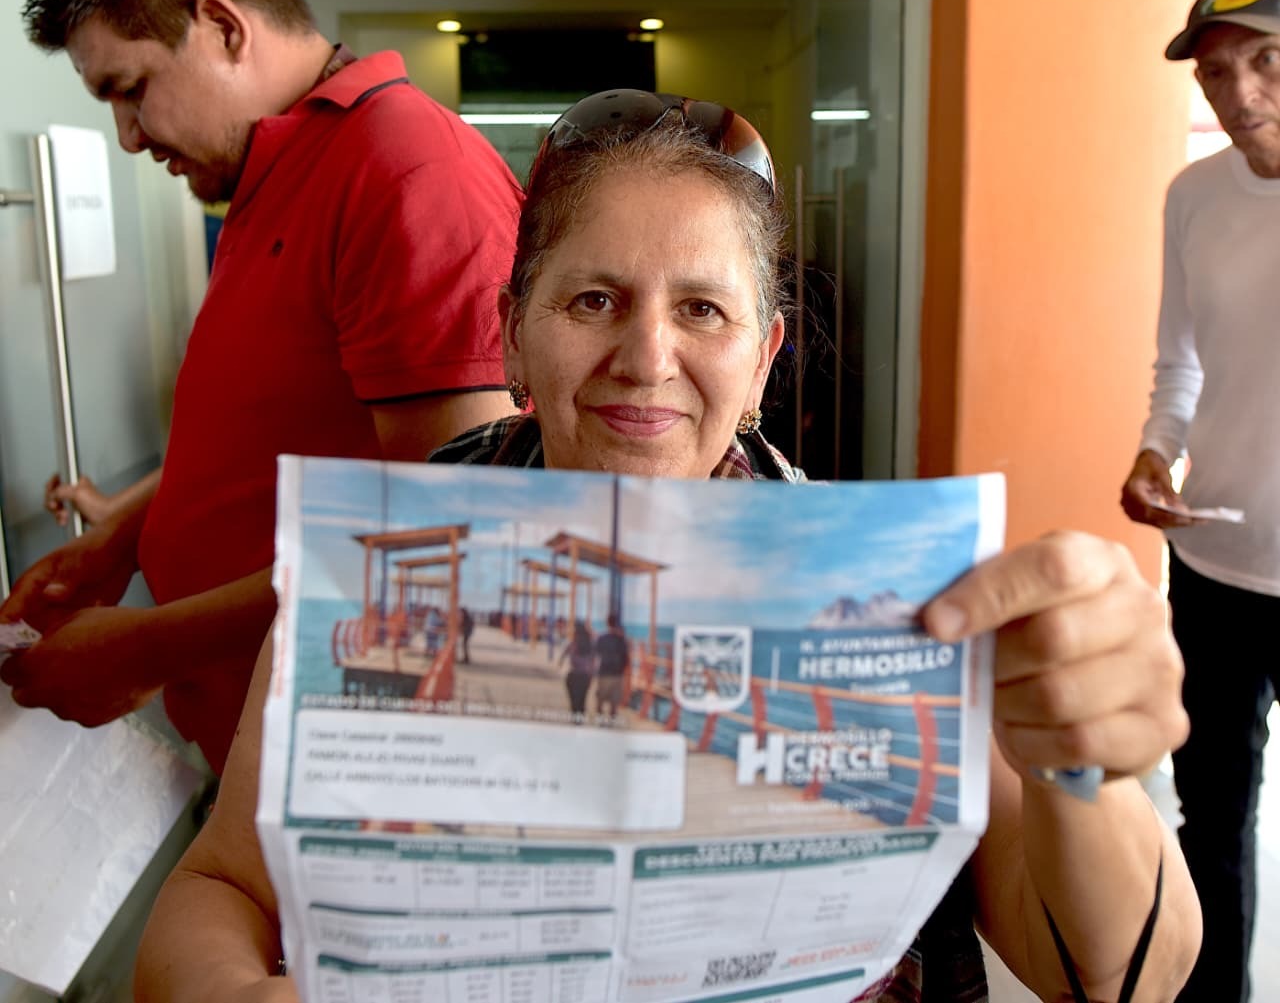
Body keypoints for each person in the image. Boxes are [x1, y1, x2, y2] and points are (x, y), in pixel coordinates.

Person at [135, 90, 1200, 1002]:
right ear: (511, 334)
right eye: (594, 299)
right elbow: (223, 883)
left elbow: (1123, 977)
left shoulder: (883, 596)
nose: (647, 357)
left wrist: (1083, 765)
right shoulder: (388, 558)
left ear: (763, 356)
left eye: (701, 309)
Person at [0, 0, 521, 774]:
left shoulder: (406, 168)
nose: (127, 138)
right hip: (259, 754)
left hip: (355, 763)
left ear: (222, 26)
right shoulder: (275, 167)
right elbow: (280, 433)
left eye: (131, 90)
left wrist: (145, 647)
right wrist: (122, 540)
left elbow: (449, 540)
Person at [1120, 0, 1280, 1003]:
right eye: (1215, 73)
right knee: (1211, 815)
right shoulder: (1193, 196)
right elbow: (1176, 363)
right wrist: (1153, 450)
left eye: (1265, 61)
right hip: (1215, 564)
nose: (1239, 93)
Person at [594, 612, 630, 721]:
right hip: (617, 673)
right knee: (614, 704)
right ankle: (611, 723)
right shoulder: (621, 640)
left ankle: (600, 721)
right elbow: (626, 657)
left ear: (607, 623)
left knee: (600, 700)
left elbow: (596, 653)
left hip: (604, 672)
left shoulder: (602, 638)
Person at [561, 618, 596, 719]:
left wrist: (560, 664)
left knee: (574, 702)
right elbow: (593, 662)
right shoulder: (591, 644)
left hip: (573, 675)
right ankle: (579, 719)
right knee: (582, 701)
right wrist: (591, 675)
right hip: (585, 676)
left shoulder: (573, 643)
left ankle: (575, 718)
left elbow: (563, 656)